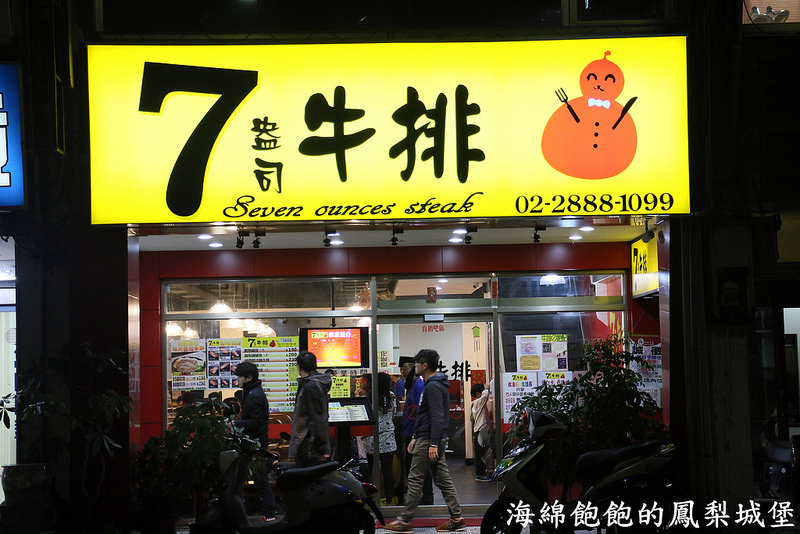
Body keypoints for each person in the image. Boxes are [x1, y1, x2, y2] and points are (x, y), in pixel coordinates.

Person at [386, 349, 465, 533]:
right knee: (443, 479)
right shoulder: (433, 384)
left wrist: (433, 443)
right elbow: (426, 415)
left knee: (415, 478)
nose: (414, 367)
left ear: (425, 365)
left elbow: (437, 417)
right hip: (427, 437)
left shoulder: (433, 386)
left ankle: (404, 520)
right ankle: (457, 518)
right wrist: (416, 436)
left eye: (416, 363)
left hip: (429, 438)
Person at [232, 361, 278, 521]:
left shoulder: (254, 396)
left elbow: (255, 422)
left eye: (240, 377)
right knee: (259, 477)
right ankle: (267, 512)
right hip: (254, 441)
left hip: (255, 443)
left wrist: (235, 424)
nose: (238, 380)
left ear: (249, 377)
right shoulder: (253, 393)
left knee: (259, 477)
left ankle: (269, 513)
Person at [288, 350, 332, 467]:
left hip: (308, 447)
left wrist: (321, 449)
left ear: (299, 367)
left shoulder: (310, 386)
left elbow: (316, 418)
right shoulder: (315, 384)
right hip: (310, 446)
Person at [399, 359, 434, 505]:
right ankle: (420, 494)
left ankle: (427, 494)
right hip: (410, 430)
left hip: (417, 433)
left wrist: (416, 434)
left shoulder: (419, 385)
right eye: (401, 369)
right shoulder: (412, 385)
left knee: (421, 465)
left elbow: (421, 411)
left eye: (405, 369)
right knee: (414, 465)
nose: (402, 372)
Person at [362, 373, 398, 505]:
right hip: (388, 438)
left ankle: (367, 499)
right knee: (388, 470)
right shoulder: (391, 396)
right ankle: (389, 499)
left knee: (368, 470)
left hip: (371, 438)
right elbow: (393, 413)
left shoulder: (370, 397)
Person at [470, 383, 494, 482]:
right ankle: (480, 475)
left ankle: (481, 473)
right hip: (481, 431)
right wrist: (489, 385)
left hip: (478, 430)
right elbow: (485, 394)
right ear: (478, 394)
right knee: (481, 454)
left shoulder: (475, 404)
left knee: (480, 453)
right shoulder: (478, 402)